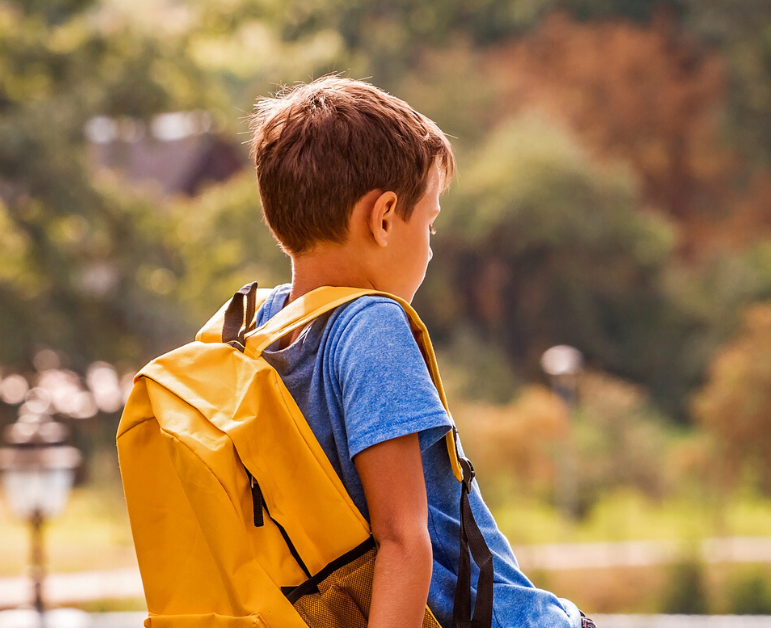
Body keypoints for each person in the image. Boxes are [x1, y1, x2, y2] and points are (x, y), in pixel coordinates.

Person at [247, 76, 588, 628]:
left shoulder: (255, 330)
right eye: (428, 221)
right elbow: (404, 541)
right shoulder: (371, 326)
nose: (430, 246)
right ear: (384, 218)